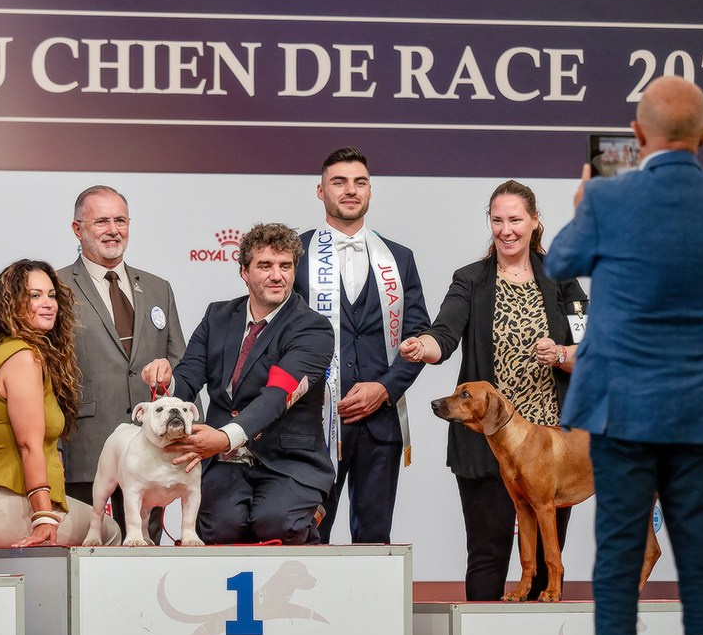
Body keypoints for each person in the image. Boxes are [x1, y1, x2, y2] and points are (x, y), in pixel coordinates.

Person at [546, 75, 703, 635]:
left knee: (616, 563)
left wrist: (586, 205)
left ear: (637, 137)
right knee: (701, 567)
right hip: (702, 409)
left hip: (620, 409)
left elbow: (558, 262)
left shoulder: (608, 200)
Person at [399, 180, 587, 601]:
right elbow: (442, 334)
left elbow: (592, 350)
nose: (506, 230)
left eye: (516, 219)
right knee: (487, 552)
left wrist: (559, 352)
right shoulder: (470, 280)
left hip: (554, 443)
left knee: (546, 554)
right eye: (498, 220)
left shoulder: (562, 279)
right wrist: (422, 347)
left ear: (535, 222)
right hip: (486, 440)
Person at [141, 223, 335, 544]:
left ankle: (305, 512)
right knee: (220, 529)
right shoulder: (217, 316)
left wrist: (223, 438)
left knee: (275, 522)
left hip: (288, 462)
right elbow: (188, 377)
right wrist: (165, 382)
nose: (277, 275)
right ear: (244, 271)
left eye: (285, 266)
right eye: (265, 266)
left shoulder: (313, 328)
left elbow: (277, 395)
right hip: (224, 463)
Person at [294, 147, 430, 543]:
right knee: (306, 537)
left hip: (379, 424)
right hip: (313, 423)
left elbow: (417, 335)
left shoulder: (399, 259)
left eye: (360, 182)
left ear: (370, 191)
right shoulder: (294, 255)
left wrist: (385, 388)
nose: (350, 190)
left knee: (374, 543)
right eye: (339, 182)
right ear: (320, 191)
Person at [0, 260, 122, 547]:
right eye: (34, 295)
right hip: (4, 505)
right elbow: (28, 445)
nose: (48, 304)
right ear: (11, 303)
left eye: (52, 295)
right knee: (110, 532)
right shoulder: (23, 358)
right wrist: (43, 514)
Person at [58, 186, 187, 543]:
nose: (113, 229)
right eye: (101, 221)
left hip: (152, 450)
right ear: (77, 228)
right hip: (85, 446)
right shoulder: (56, 287)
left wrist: (170, 381)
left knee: (146, 550)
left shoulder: (159, 288)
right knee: (87, 548)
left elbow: (181, 360)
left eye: (120, 220)